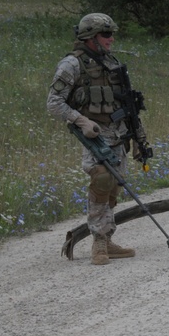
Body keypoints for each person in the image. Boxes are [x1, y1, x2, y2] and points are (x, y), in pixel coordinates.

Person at [47, 13, 140, 265]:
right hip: (93, 135)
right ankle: (98, 242)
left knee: (114, 186)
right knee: (101, 178)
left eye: (112, 34)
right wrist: (81, 120)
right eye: (106, 34)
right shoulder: (71, 65)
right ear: (90, 37)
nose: (111, 39)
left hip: (118, 133)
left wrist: (136, 134)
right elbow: (54, 103)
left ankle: (108, 239)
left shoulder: (111, 62)